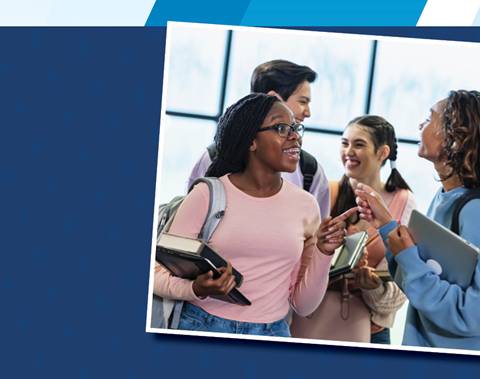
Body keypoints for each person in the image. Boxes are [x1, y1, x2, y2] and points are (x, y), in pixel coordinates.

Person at [153, 93, 357, 337]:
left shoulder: (306, 205)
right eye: (281, 128)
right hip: (201, 326)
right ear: (251, 141)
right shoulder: (206, 195)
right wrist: (195, 289)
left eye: (295, 128)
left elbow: (303, 306)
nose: (295, 136)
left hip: (273, 332)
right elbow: (154, 274)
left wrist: (324, 252)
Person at [352, 90, 480, 351]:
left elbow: (475, 315)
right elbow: (419, 281)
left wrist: (406, 255)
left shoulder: (479, 211)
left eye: (430, 119)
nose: (421, 125)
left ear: (455, 137)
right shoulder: (443, 198)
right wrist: (386, 225)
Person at [288, 116, 415, 344]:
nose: (348, 151)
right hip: (312, 318)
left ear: (383, 152)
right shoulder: (327, 191)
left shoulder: (404, 201)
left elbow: (402, 284)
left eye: (359, 144)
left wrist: (373, 287)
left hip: (371, 329)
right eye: (344, 143)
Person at [186, 60, 330, 219]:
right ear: (273, 98)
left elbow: (317, 229)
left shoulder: (310, 170)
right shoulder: (211, 158)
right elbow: (191, 219)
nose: (308, 112)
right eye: (303, 102)